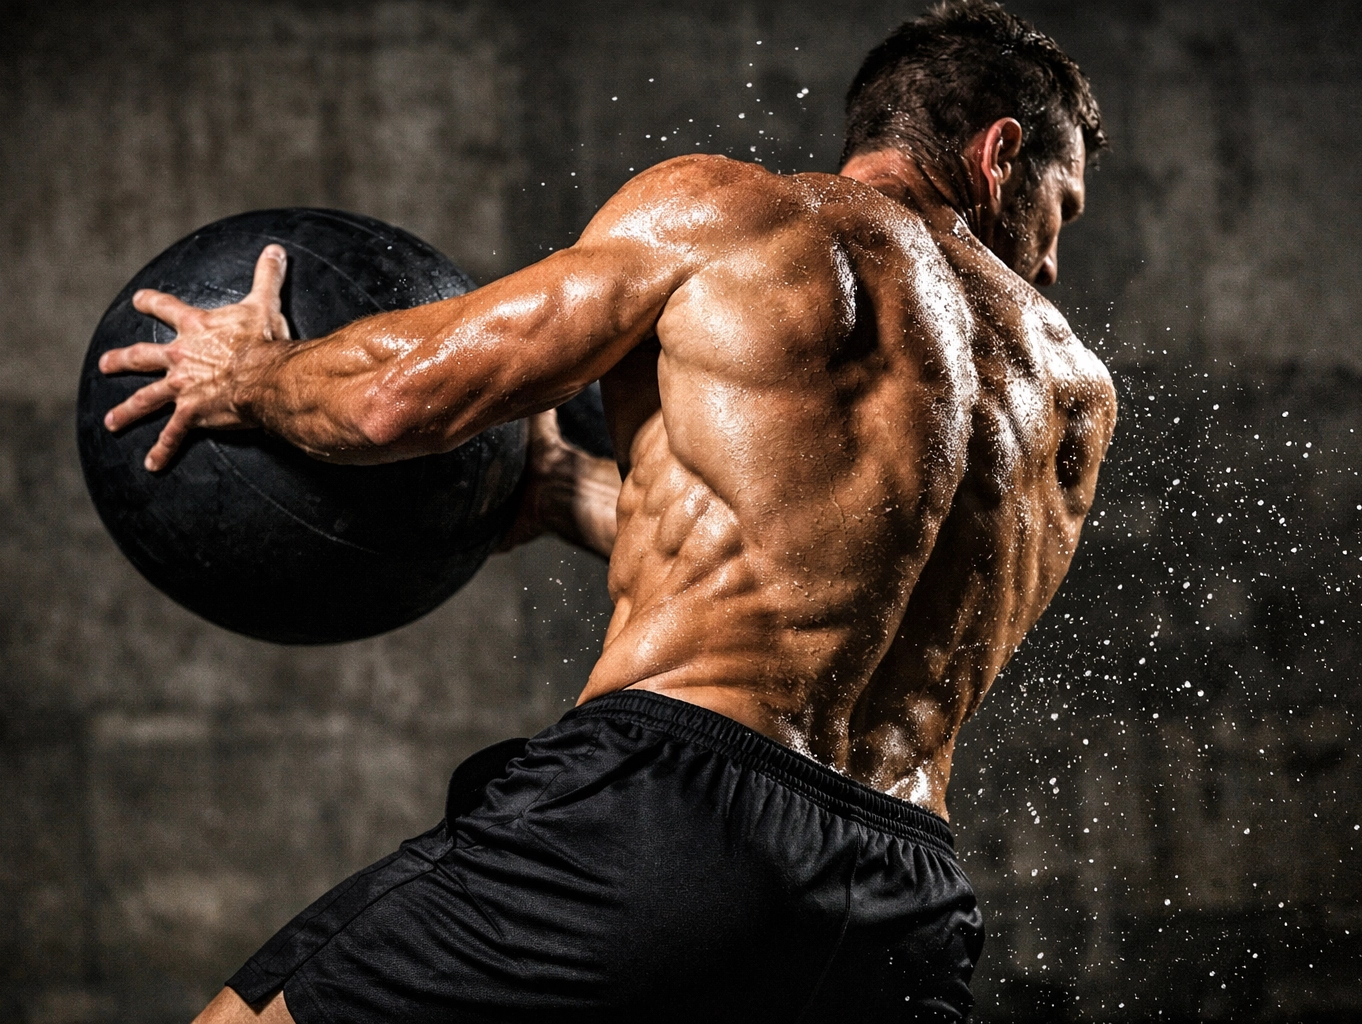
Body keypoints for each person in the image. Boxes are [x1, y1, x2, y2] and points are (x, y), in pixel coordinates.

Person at [100, 2, 1115, 1020]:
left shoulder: (740, 217)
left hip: (668, 820)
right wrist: (557, 491)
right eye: (1061, 211)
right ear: (1000, 153)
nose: (1054, 260)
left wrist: (256, 374)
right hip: (898, 899)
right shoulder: (1077, 401)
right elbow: (829, 589)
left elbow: (394, 398)